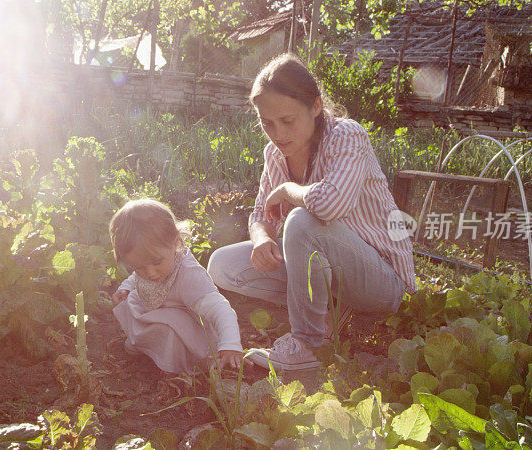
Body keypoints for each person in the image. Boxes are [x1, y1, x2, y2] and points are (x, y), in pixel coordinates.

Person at [207, 53, 416, 371]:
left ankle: (309, 344)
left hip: (381, 280)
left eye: (287, 120)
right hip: (333, 273)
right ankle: (331, 311)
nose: (277, 133)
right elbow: (262, 211)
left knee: (302, 221)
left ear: (316, 107)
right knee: (222, 265)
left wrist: (288, 191)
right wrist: (262, 238)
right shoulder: (276, 154)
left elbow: (330, 204)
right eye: (267, 124)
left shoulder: (347, 135)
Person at [110, 198, 244, 374]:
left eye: (156, 262)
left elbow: (221, 309)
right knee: (131, 302)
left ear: (175, 242)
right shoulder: (149, 266)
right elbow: (136, 277)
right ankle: (144, 345)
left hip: (183, 329)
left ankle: (172, 367)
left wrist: (230, 344)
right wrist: (125, 288)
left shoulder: (189, 275)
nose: (150, 273)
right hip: (154, 308)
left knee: (168, 329)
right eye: (139, 266)